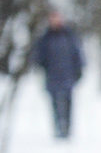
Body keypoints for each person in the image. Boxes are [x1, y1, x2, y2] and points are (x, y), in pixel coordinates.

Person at [33, 9, 85, 139]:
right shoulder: (45, 37)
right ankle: (57, 127)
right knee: (55, 103)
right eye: (53, 18)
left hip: (68, 74)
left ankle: (67, 128)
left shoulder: (69, 36)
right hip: (52, 76)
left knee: (67, 103)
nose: (55, 21)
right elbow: (39, 56)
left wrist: (79, 70)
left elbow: (77, 54)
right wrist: (40, 65)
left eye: (57, 18)